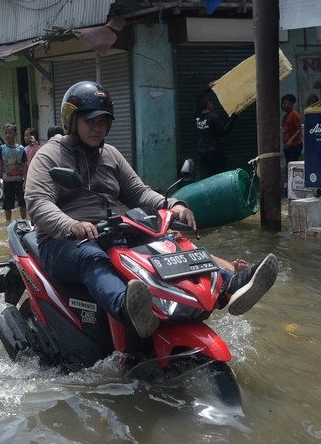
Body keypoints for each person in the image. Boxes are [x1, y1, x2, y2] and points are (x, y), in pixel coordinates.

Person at [25, 80, 279, 340]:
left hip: (109, 233)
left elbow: (139, 192)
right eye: (90, 121)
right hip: (62, 242)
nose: (97, 128)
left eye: (102, 122)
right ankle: (127, 308)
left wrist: (173, 205)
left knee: (172, 244)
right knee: (92, 258)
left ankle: (229, 284)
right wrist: (71, 225)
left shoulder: (110, 155)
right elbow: (38, 202)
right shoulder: (49, 156)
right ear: (72, 120)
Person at [195, 90, 236, 179]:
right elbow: (223, 133)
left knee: (204, 175)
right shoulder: (213, 117)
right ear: (208, 103)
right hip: (214, 152)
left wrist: (207, 88)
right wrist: (234, 117)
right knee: (218, 175)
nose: (213, 104)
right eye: (211, 102)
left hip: (202, 151)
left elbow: (198, 98)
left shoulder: (198, 117)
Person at [0, 122, 28, 221]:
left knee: (22, 202)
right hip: (7, 181)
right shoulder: (2, 149)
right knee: (7, 204)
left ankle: (24, 220)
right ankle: (8, 222)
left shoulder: (21, 149)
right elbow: (0, 164)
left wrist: (25, 180)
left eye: (10, 133)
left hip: (20, 180)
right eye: (6, 133)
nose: (8, 135)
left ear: (15, 134)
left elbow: (24, 165)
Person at [281, 93, 304, 164]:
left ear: (291, 103)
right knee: (288, 164)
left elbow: (299, 129)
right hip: (288, 146)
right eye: (282, 103)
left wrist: (290, 140)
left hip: (295, 145)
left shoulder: (294, 115)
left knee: (292, 164)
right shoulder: (285, 117)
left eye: (284, 103)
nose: (282, 106)